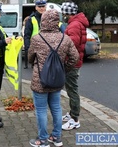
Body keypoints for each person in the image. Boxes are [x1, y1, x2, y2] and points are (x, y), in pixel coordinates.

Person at [28, 9, 79, 147]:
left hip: (40, 81)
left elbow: (30, 57)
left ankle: (43, 140)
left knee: (41, 110)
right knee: (56, 108)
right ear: (57, 21)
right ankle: (56, 137)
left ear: (43, 21)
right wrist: (64, 69)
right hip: (57, 79)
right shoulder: (65, 38)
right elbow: (75, 57)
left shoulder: (37, 39)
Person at [61, 1, 89, 131]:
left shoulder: (74, 25)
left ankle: (75, 119)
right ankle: (72, 113)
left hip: (72, 63)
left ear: (68, 14)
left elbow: (71, 44)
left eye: (63, 13)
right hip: (75, 61)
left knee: (72, 90)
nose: (62, 15)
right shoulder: (75, 23)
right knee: (71, 89)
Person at [23, 0, 47, 69]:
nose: (41, 8)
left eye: (43, 6)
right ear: (36, 7)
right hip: (35, 49)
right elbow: (27, 35)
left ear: (45, 7)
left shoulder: (49, 18)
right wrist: (28, 49)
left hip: (47, 48)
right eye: (39, 6)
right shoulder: (31, 19)